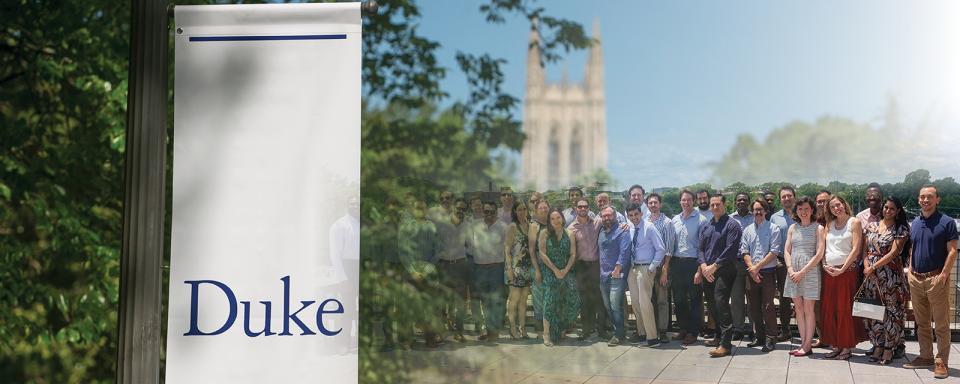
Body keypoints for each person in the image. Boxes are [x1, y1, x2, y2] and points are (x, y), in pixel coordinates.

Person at [903, 185, 958, 379]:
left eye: (929, 197)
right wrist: (910, 269)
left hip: (936, 278)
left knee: (941, 324)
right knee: (922, 322)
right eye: (922, 197)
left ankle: (941, 361)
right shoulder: (915, 222)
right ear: (918, 200)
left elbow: (952, 251)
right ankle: (925, 356)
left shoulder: (947, 222)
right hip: (916, 278)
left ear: (937, 200)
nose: (925, 200)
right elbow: (913, 248)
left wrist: (943, 275)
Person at [862, 196, 909, 365]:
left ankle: (889, 348)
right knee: (873, 311)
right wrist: (867, 267)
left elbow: (894, 253)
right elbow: (864, 250)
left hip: (890, 277)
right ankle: (877, 345)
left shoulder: (900, 229)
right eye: (886, 207)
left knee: (891, 312)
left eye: (892, 208)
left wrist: (874, 267)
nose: (887, 211)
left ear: (897, 211)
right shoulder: (871, 226)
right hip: (870, 277)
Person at [819, 195, 865, 360]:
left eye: (838, 205)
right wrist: (824, 264)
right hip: (829, 272)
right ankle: (836, 345)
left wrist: (842, 269)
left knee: (845, 309)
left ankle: (846, 347)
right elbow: (824, 248)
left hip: (846, 273)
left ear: (844, 204)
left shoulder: (854, 222)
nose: (836, 209)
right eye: (832, 207)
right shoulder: (829, 225)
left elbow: (856, 249)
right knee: (830, 309)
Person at [696, 194, 742, 358]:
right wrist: (703, 266)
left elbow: (730, 249)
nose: (715, 207)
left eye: (718, 204)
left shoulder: (732, 225)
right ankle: (717, 336)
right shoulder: (706, 225)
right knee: (712, 304)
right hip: (707, 270)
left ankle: (726, 344)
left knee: (721, 303)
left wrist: (713, 267)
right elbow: (700, 248)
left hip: (724, 270)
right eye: (712, 205)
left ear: (724, 205)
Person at [782, 196, 824, 357]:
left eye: (806, 208)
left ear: (812, 210)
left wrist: (802, 272)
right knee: (798, 309)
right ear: (796, 211)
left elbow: (819, 253)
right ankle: (803, 342)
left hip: (810, 272)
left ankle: (807, 345)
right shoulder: (792, 228)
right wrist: (791, 269)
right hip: (793, 273)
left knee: (809, 310)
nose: (803, 212)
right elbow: (787, 250)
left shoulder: (818, 228)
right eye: (800, 209)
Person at [398, 199, 442, 347]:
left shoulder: (432, 227)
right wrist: (412, 271)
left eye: (423, 208)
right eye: (417, 208)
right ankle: (407, 340)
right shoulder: (406, 227)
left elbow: (437, 251)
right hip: (410, 273)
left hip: (429, 273)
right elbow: (403, 251)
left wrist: (426, 270)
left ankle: (430, 338)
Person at [741, 198, 782, 352]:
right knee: (753, 308)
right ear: (752, 211)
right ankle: (759, 336)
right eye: (755, 209)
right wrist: (752, 269)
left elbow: (774, 251)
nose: (758, 212)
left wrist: (756, 268)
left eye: (761, 209)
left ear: (766, 211)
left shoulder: (773, 228)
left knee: (768, 306)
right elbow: (744, 251)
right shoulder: (747, 230)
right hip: (751, 274)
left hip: (768, 273)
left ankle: (771, 338)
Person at [538, 208, 582, 346]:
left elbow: (573, 254)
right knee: (550, 301)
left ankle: (561, 327)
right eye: (552, 218)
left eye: (558, 218)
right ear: (549, 220)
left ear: (562, 218)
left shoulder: (569, 233)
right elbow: (542, 253)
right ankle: (546, 333)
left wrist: (565, 270)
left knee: (572, 299)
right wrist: (555, 270)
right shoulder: (544, 233)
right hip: (550, 271)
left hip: (566, 270)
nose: (556, 221)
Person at [625, 202, 666, 347]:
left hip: (645, 268)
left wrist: (652, 267)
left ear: (641, 213)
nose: (634, 217)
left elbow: (661, 249)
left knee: (645, 304)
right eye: (630, 215)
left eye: (636, 214)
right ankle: (642, 334)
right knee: (635, 303)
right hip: (633, 268)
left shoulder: (649, 227)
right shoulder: (629, 228)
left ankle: (653, 338)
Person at [671, 190, 708, 345]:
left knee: (695, 300)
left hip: (693, 263)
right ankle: (683, 329)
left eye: (689, 200)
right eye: (683, 200)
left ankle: (693, 331)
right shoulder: (674, 220)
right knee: (679, 299)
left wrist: (700, 270)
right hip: (677, 263)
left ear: (693, 201)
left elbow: (703, 247)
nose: (686, 202)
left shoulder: (702, 220)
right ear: (680, 201)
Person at [469, 201, 508, 342]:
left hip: (497, 268)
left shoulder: (503, 227)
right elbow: (469, 245)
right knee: (485, 301)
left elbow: (507, 248)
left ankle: (494, 330)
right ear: (482, 212)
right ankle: (489, 329)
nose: (489, 214)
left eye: (492, 212)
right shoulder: (474, 226)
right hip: (480, 268)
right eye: (487, 212)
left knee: (496, 300)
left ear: (497, 212)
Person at [568, 198, 607, 340]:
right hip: (581, 266)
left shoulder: (597, 222)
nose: (583, 209)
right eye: (580, 207)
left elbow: (612, 222)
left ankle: (602, 330)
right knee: (584, 300)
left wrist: (624, 226)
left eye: (585, 206)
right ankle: (586, 330)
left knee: (599, 299)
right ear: (575, 208)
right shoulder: (571, 228)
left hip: (596, 265)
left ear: (589, 208)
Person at [435, 198, 472, 342]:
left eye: (463, 209)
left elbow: (471, 245)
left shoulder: (468, 226)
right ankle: (441, 331)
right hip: (444, 266)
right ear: (453, 208)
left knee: (461, 302)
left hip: (460, 266)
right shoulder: (442, 224)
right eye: (458, 208)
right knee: (441, 301)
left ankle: (459, 331)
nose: (460, 211)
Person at [645, 193, 676, 343]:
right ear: (647, 205)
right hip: (647, 267)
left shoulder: (667, 222)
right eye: (650, 203)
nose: (653, 205)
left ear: (660, 204)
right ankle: (651, 330)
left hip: (662, 267)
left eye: (655, 202)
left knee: (662, 300)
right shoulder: (644, 222)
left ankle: (663, 331)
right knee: (649, 300)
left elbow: (669, 249)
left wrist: (665, 270)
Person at [598, 206, 630, 345]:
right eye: (604, 216)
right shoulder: (601, 231)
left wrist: (618, 268)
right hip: (603, 275)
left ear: (615, 216)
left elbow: (625, 251)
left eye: (609, 215)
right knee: (608, 305)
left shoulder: (622, 230)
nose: (607, 218)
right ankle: (618, 330)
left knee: (615, 305)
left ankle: (619, 334)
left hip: (617, 274)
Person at [769, 185, 797, 341]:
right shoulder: (774, 218)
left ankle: (810, 330)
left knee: (804, 296)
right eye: (783, 196)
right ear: (780, 200)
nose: (786, 199)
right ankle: (785, 329)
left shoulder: (802, 213)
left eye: (789, 195)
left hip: (801, 260)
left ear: (794, 196)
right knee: (784, 297)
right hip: (780, 261)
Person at [504, 201, 534, 340]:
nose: (522, 212)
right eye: (519, 209)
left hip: (527, 268)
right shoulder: (512, 227)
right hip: (515, 268)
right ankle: (512, 328)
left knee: (523, 301)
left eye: (524, 209)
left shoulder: (530, 226)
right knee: (514, 300)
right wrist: (509, 268)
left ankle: (523, 329)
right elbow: (507, 249)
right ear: (515, 211)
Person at [728, 192, 753, 340]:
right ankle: (738, 328)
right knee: (736, 297)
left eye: (744, 200)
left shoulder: (755, 217)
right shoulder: (730, 218)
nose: (742, 202)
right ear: (735, 202)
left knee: (752, 298)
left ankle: (752, 328)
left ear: (748, 202)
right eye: (739, 200)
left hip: (751, 263)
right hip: (735, 262)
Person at [527, 200, 549, 334]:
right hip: (538, 264)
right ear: (536, 210)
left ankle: (549, 326)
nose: (543, 210)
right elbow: (531, 250)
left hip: (551, 264)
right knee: (538, 297)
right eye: (540, 208)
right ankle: (539, 327)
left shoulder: (552, 223)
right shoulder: (534, 226)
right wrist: (536, 270)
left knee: (549, 296)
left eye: (546, 207)